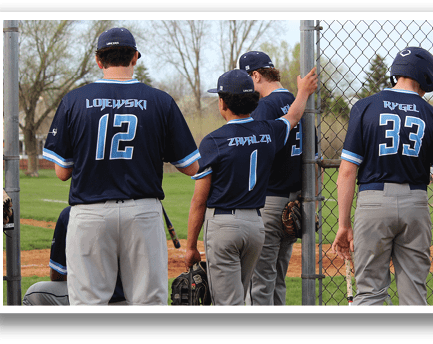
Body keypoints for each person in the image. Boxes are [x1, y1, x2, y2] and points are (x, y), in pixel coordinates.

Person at [42, 27, 201, 305]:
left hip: (89, 213)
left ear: (98, 60)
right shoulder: (160, 101)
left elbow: (62, 172)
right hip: (142, 212)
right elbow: (191, 166)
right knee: (148, 303)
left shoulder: (74, 100)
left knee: (89, 304)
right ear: (135, 57)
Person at [330, 47, 433, 305]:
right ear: (425, 78)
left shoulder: (365, 107)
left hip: (373, 201)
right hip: (416, 204)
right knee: (414, 294)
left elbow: (347, 170)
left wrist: (344, 225)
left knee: (371, 293)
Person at [184, 67, 318, 305]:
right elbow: (294, 116)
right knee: (248, 296)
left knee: (228, 303)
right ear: (255, 101)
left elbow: (199, 201)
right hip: (255, 226)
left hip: (224, 225)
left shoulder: (213, 141)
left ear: (222, 103)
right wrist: (303, 93)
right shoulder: (268, 132)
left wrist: (191, 246)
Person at [237, 51, 302, 305]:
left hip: (269, 201)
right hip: (294, 200)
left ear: (256, 75)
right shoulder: (298, 103)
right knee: (278, 279)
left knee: (259, 282)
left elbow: (253, 154)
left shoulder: (264, 106)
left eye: (246, 79)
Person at [22, 207, 127, 306]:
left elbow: (57, 275)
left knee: (33, 294)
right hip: (134, 300)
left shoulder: (71, 213)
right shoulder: (136, 213)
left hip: (90, 300)